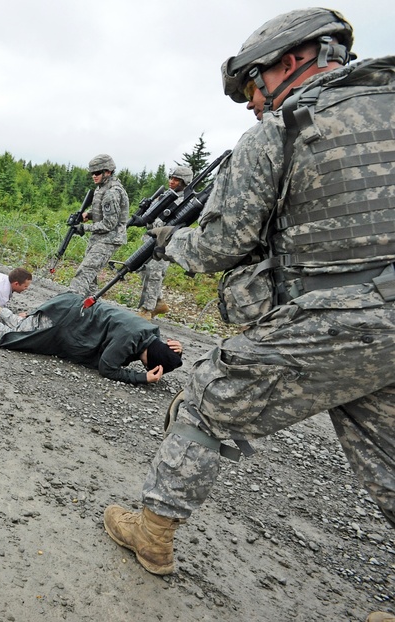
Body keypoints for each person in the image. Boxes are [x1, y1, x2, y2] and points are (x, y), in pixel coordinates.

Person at [103, 8, 395, 597]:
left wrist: (171, 241)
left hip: (335, 319)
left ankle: (152, 532)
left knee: (207, 399)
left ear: (291, 61)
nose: (252, 104)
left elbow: (220, 244)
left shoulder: (282, 131)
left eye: (253, 88)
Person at [0, 291, 183, 385]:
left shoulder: (149, 332)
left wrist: (175, 352)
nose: (146, 366)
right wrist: (142, 378)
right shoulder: (129, 340)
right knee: (14, 337)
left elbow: (162, 349)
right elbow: (107, 368)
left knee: (24, 326)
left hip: (71, 307)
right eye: (149, 365)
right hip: (64, 319)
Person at [136, 165, 193, 320]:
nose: (172, 181)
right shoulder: (165, 196)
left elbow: (173, 223)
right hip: (152, 237)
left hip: (165, 241)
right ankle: (158, 302)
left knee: (154, 273)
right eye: (171, 178)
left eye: (176, 179)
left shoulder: (186, 201)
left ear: (185, 182)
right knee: (144, 270)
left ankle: (147, 310)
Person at [68, 154, 129, 296]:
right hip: (100, 237)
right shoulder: (102, 188)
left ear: (108, 172)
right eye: (92, 173)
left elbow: (109, 224)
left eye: (97, 173)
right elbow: (102, 211)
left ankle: (70, 301)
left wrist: (84, 228)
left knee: (85, 272)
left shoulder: (112, 192)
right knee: (91, 278)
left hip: (109, 238)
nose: (94, 176)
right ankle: (91, 305)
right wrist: (88, 215)